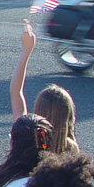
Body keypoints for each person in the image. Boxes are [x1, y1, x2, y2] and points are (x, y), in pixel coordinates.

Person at [10, 19, 79, 153]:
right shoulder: (70, 148)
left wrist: (26, 51)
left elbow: (15, 92)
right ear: (69, 116)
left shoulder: (26, 137)